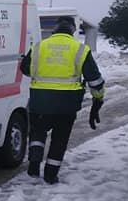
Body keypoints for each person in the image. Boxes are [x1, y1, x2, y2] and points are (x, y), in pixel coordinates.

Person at [20, 16, 105, 184]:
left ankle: (34, 163)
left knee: (37, 132)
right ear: (73, 30)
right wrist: (98, 100)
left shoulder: (39, 47)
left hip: (40, 101)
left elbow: (25, 68)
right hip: (67, 104)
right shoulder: (80, 49)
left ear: (55, 28)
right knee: (60, 139)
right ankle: (51, 175)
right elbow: (95, 80)